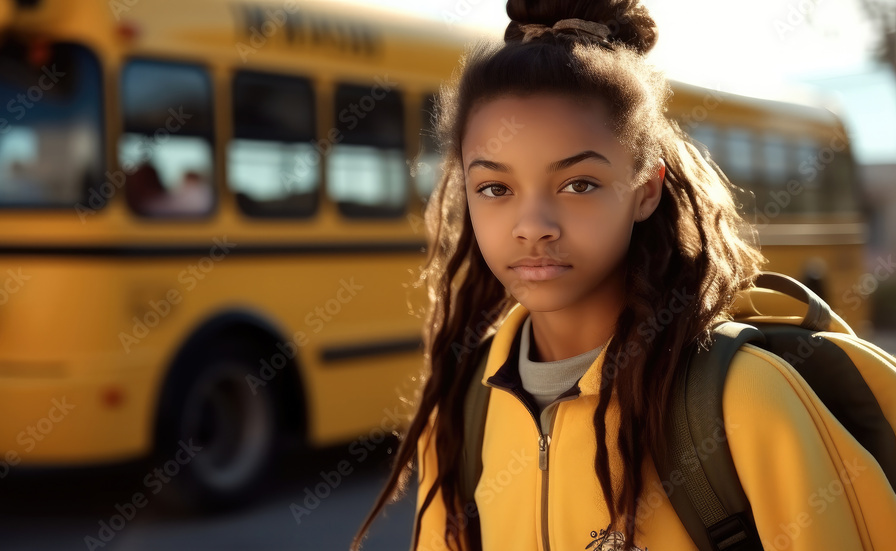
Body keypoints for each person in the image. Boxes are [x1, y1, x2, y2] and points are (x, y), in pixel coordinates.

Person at [350, 1, 896, 550]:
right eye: (495, 188)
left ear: (646, 192)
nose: (533, 226)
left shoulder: (744, 400)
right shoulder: (462, 407)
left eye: (579, 184)